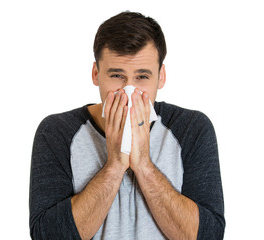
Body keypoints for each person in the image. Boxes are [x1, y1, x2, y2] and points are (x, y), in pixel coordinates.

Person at [29, 11, 225, 240]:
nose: (129, 91)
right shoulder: (57, 132)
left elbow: (209, 235)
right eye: (117, 76)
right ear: (96, 74)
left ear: (161, 77)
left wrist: (143, 164)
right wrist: (115, 165)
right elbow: (46, 236)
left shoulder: (192, 128)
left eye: (142, 77)